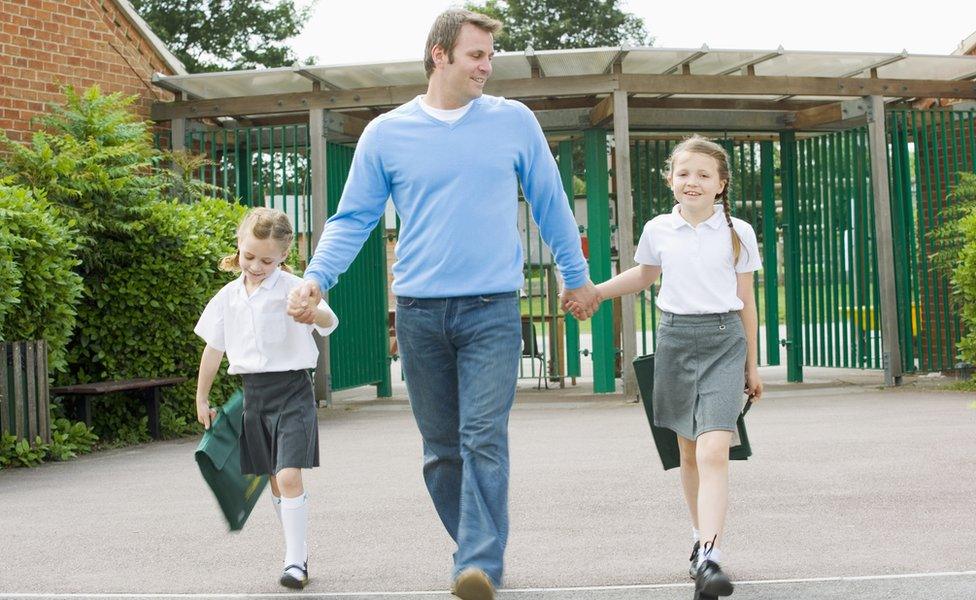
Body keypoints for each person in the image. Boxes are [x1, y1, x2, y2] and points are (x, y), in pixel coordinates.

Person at [287, 9, 600, 600]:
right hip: (420, 313)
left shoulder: (514, 122)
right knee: (440, 451)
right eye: (476, 55)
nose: (487, 66)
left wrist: (576, 275)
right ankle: (473, 551)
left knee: (484, 436)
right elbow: (353, 218)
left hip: (492, 311)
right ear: (440, 54)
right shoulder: (387, 134)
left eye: (489, 56)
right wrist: (315, 277)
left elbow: (552, 203)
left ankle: (478, 562)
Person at [568, 135, 763, 598]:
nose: (691, 181)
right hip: (675, 340)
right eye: (683, 173)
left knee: (716, 448)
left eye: (703, 174)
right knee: (689, 452)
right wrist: (594, 291)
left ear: (721, 184)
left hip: (724, 342)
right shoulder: (658, 229)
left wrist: (753, 366)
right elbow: (643, 276)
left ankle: (711, 557)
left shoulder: (739, 232)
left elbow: (748, 301)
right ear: (671, 180)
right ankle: (700, 544)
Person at [194, 207, 338, 590]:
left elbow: (330, 320)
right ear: (239, 247)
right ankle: (298, 549)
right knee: (275, 481)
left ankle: (294, 563)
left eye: (267, 260)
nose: (256, 265)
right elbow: (213, 349)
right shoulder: (227, 297)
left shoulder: (295, 288)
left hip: (292, 391)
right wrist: (201, 397)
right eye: (250, 256)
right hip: (254, 397)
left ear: (284, 257)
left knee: (290, 475)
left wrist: (314, 314)